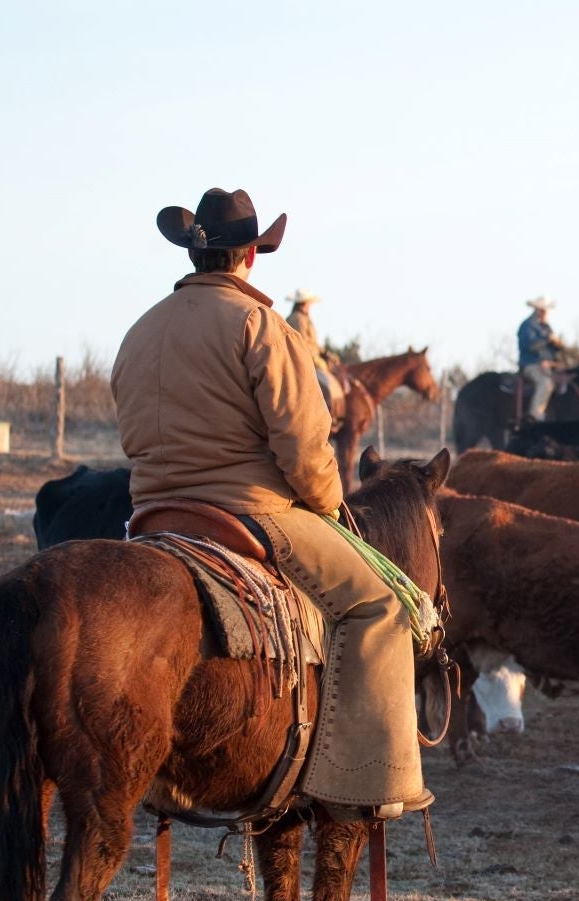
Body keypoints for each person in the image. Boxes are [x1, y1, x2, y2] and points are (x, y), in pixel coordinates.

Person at [111, 187, 425, 814]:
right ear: (251, 253)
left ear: (195, 255)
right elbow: (306, 445)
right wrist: (331, 507)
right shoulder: (261, 326)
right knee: (380, 606)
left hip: (151, 512)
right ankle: (371, 783)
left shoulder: (139, 330)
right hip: (252, 510)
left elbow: (130, 430)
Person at [286, 288, 344, 418]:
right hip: (304, 358)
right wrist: (318, 360)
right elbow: (302, 343)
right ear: (304, 303)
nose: (310, 306)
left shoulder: (303, 318)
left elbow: (313, 343)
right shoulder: (298, 319)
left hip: (312, 355)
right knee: (324, 376)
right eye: (309, 303)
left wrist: (326, 354)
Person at [517, 296, 563, 418]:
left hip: (550, 365)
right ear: (537, 310)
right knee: (546, 383)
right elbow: (531, 345)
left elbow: (553, 348)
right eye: (543, 310)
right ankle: (535, 415)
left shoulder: (546, 327)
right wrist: (548, 339)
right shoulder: (527, 326)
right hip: (531, 364)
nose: (546, 313)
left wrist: (557, 343)